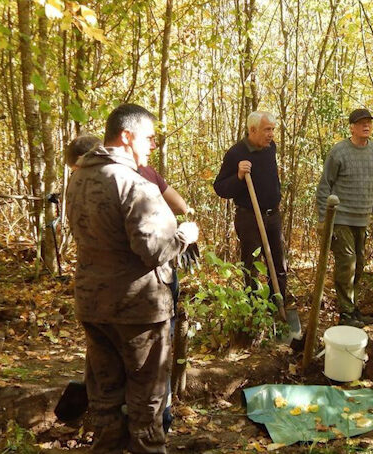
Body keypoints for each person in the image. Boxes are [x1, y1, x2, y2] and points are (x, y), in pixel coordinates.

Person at [66, 103, 199, 453]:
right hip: (137, 311)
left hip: (93, 306)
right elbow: (155, 250)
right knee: (146, 405)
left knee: (106, 401)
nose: (152, 146)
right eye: (149, 139)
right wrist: (186, 234)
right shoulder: (134, 184)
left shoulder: (78, 177)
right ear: (127, 136)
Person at [316, 108, 373, 327]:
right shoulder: (339, 152)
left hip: (362, 218)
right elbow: (325, 185)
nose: (366, 126)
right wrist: (322, 218)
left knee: (360, 265)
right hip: (341, 218)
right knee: (347, 264)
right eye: (361, 123)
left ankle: (352, 308)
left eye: (369, 123)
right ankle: (346, 312)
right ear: (352, 127)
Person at [213, 111, 287, 300]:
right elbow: (220, 188)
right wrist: (238, 176)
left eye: (273, 129)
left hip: (273, 215)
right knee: (251, 266)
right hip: (249, 217)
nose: (271, 134)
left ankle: (278, 304)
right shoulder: (236, 153)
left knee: (279, 264)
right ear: (252, 130)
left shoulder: (271, 148)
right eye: (267, 130)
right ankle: (254, 310)